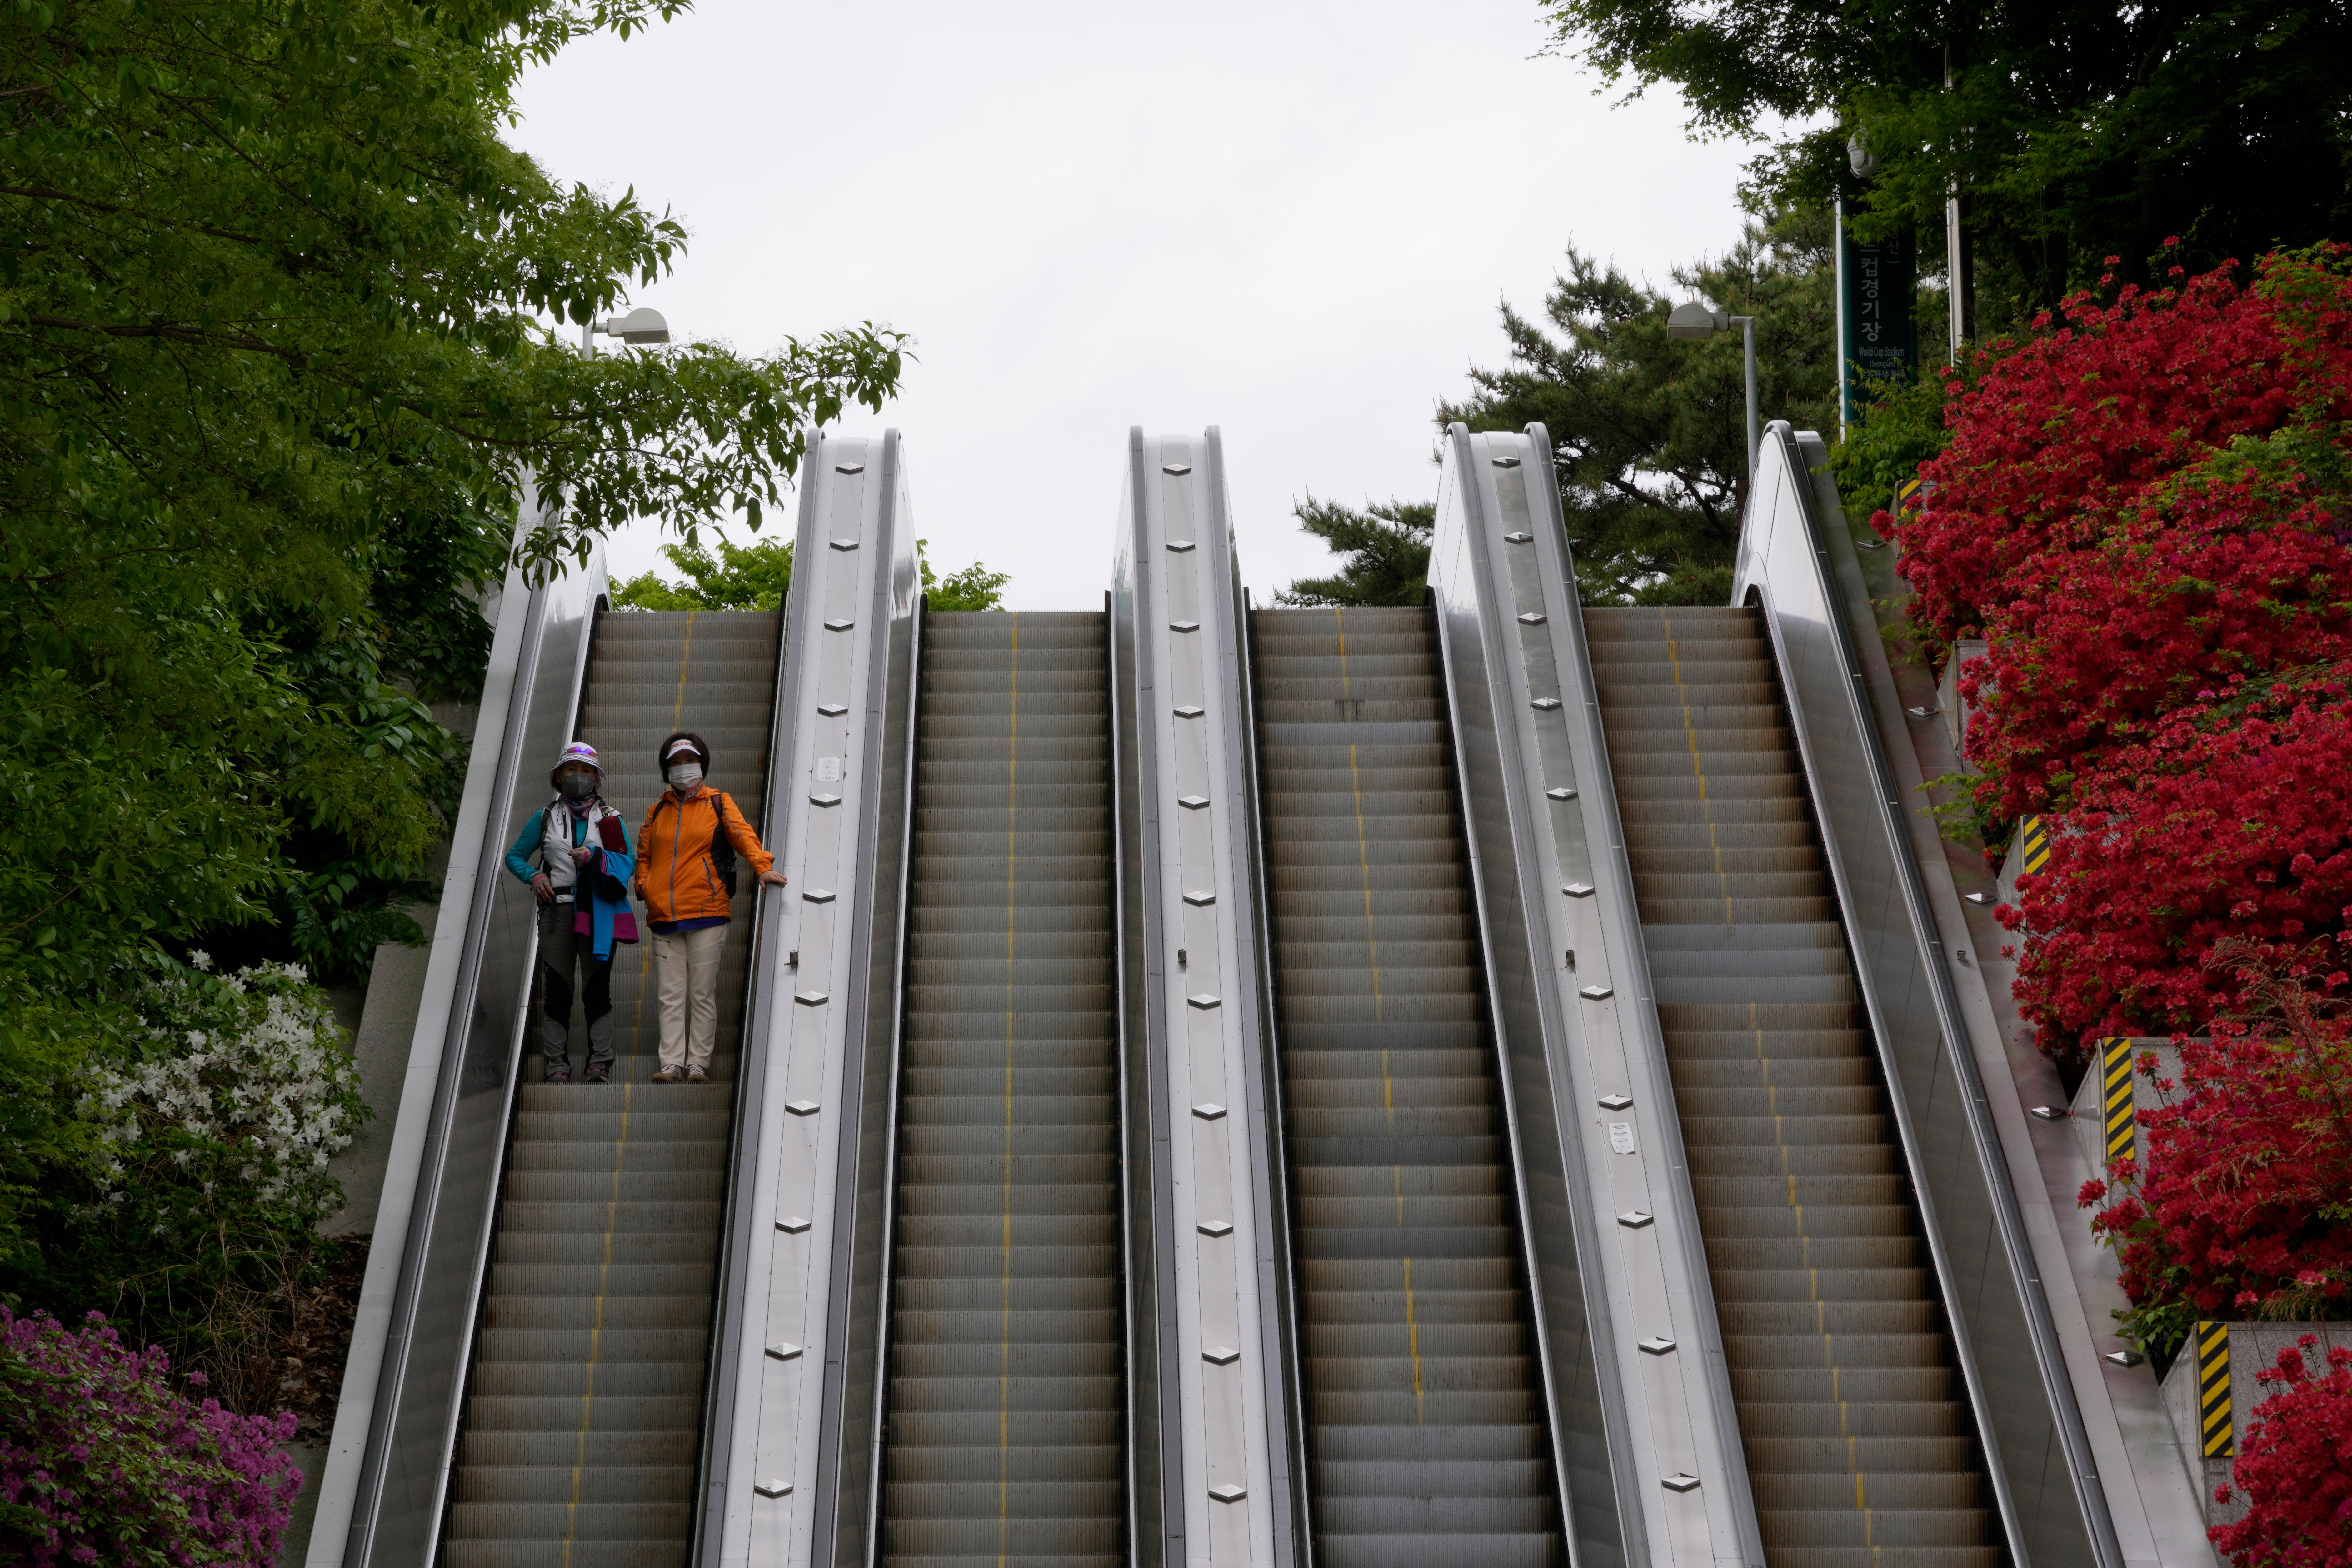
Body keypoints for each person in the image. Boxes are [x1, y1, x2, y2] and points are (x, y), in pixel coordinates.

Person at [635, 731, 786, 1083]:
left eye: (689, 760)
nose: (683, 768)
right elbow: (644, 855)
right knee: (670, 995)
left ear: (702, 763)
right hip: (664, 915)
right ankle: (671, 1063)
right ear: (665, 768)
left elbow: (742, 834)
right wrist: (644, 885)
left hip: (707, 909)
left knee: (702, 992)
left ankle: (698, 1063)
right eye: (675, 763)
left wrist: (762, 867)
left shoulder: (718, 802)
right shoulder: (656, 810)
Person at [505, 741, 638, 1084]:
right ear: (559, 776)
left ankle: (600, 1062)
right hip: (558, 910)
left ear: (597, 779)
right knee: (558, 990)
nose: (579, 776)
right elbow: (515, 856)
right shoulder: (546, 816)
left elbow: (629, 863)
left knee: (597, 988)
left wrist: (595, 859)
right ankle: (557, 1065)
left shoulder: (610, 819)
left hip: (599, 911)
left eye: (586, 771)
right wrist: (535, 876)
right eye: (571, 770)